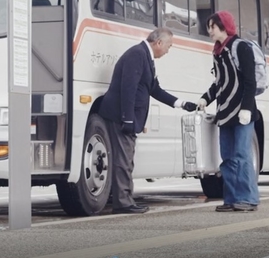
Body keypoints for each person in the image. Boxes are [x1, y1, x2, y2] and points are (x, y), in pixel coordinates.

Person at [99, 27, 199, 214]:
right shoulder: (137, 55)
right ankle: (123, 203)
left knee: (126, 159)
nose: (169, 50)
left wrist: (182, 103)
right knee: (123, 160)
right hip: (120, 117)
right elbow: (127, 88)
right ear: (158, 43)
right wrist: (127, 119)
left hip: (127, 117)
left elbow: (155, 89)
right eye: (169, 46)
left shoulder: (146, 57)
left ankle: (126, 200)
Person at [197, 11, 260, 212]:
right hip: (224, 113)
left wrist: (247, 108)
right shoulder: (217, 51)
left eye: (212, 27)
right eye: (209, 27)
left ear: (224, 26)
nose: (209, 31)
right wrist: (205, 98)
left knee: (242, 155)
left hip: (242, 112)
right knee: (227, 158)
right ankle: (232, 199)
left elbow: (250, 81)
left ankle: (248, 199)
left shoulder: (240, 47)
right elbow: (219, 83)